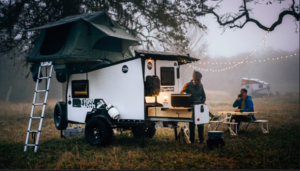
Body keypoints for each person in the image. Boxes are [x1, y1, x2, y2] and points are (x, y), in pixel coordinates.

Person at [180, 70, 206, 144]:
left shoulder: (201, 86)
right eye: (199, 79)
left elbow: (204, 96)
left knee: (201, 124)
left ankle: (201, 139)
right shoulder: (188, 85)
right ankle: (192, 140)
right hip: (192, 107)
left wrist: (202, 103)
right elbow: (182, 93)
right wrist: (184, 94)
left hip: (199, 107)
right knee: (192, 124)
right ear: (196, 79)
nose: (199, 81)